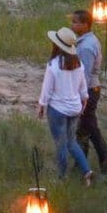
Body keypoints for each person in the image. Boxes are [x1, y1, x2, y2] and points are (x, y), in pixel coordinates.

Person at [38, 27, 95, 186]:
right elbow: (83, 86)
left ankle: (62, 178)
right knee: (71, 142)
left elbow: (47, 89)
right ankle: (87, 171)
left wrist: (41, 105)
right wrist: (84, 99)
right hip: (75, 109)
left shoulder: (53, 65)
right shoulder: (78, 64)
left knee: (61, 144)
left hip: (58, 110)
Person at [70, 8, 107, 176]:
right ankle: (82, 165)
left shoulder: (86, 47)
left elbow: (85, 74)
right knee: (84, 128)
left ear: (85, 24)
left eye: (75, 22)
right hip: (89, 90)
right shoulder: (87, 41)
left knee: (90, 129)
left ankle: (105, 164)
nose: (72, 25)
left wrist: (80, 96)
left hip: (88, 90)